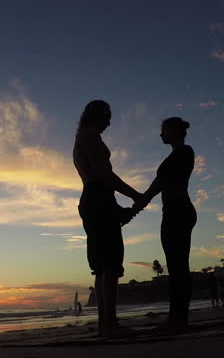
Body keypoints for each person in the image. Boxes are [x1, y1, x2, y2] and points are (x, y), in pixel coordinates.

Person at [73, 100, 140, 337]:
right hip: (98, 198)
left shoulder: (82, 136)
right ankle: (110, 325)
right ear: (96, 116)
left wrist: (120, 207)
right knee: (110, 263)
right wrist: (135, 195)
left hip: (96, 199)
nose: (109, 122)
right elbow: (104, 175)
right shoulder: (89, 136)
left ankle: (106, 324)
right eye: (107, 116)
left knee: (102, 265)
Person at [133, 117, 196, 333]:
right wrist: (140, 203)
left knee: (178, 265)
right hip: (172, 211)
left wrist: (140, 202)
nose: (161, 134)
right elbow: (158, 184)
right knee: (176, 265)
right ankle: (177, 318)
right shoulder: (174, 156)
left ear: (174, 131)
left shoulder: (185, 152)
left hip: (179, 211)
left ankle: (178, 319)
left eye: (164, 130)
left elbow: (161, 183)